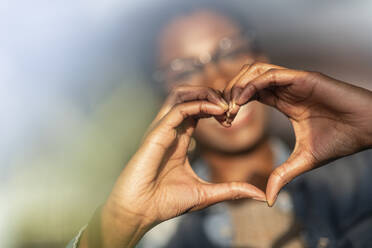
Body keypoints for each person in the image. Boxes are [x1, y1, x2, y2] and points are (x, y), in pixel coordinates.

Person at [67, 3, 372, 248]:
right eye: (185, 69)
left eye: (230, 51)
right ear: (163, 102)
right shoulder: (164, 236)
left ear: (262, 60)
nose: (218, 80)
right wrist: (119, 224)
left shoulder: (357, 175)